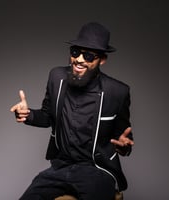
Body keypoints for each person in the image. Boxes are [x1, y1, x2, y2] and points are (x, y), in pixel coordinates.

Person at [10, 22, 134, 200]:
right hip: (60, 168)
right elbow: (47, 117)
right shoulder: (56, 77)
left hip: (96, 171)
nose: (80, 59)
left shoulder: (118, 91)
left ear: (102, 60)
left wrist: (124, 147)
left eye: (89, 55)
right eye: (76, 52)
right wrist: (28, 114)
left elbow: (124, 136)